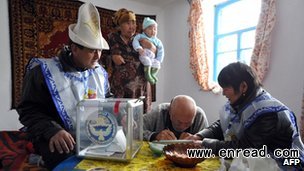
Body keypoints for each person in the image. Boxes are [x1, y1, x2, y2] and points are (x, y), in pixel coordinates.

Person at [17, 2, 110, 170]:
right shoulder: (43, 71)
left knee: (118, 149)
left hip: (91, 132)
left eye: (100, 50)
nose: (98, 56)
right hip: (55, 134)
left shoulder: (99, 72)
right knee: (67, 156)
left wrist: (121, 113)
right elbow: (28, 111)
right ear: (74, 49)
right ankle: (40, 157)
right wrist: (52, 130)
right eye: (92, 50)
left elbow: (107, 99)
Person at [186, 62, 304, 169]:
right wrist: (199, 136)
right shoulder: (242, 102)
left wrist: (205, 144)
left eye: (226, 88)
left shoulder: (267, 114)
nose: (223, 93)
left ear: (243, 86)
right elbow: (223, 125)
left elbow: (244, 149)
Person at [107, 8, 153, 112]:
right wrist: (113, 57)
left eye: (133, 23)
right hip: (121, 87)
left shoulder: (140, 38)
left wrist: (150, 46)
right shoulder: (113, 37)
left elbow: (154, 53)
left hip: (141, 86)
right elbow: (108, 59)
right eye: (127, 23)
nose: (132, 27)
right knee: (121, 117)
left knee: (141, 118)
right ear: (119, 26)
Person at [143, 95, 209, 141]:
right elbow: (134, 130)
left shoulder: (200, 116)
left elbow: (208, 142)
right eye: (178, 122)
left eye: (188, 123)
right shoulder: (160, 111)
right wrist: (154, 136)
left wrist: (197, 141)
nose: (182, 127)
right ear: (170, 112)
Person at [132, 17, 164, 85]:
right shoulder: (140, 36)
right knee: (147, 61)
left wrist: (159, 59)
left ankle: (153, 74)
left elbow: (161, 50)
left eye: (155, 29)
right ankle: (148, 75)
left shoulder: (157, 41)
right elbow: (135, 41)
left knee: (157, 64)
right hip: (144, 54)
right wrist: (139, 48)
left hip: (152, 57)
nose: (153, 31)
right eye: (150, 29)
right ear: (144, 29)